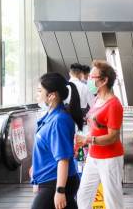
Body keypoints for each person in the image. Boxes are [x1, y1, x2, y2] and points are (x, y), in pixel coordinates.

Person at [75, 60, 125, 209]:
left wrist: (87, 139)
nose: (88, 80)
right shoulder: (97, 99)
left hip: (110, 159)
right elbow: (94, 125)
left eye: (92, 77)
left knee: (112, 201)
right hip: (93, 156)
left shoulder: (114, 105)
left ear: (104, 81)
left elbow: (113, 136)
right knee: (83, 197)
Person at [31, 72, 84, 209]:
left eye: (39, 91)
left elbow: (63, 159)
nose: (37, 94)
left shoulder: (59, 120)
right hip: (48, 180)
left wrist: (60, 191)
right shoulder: (50, 116)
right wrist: (36, 171)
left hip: (56, 182)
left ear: (52, 95)